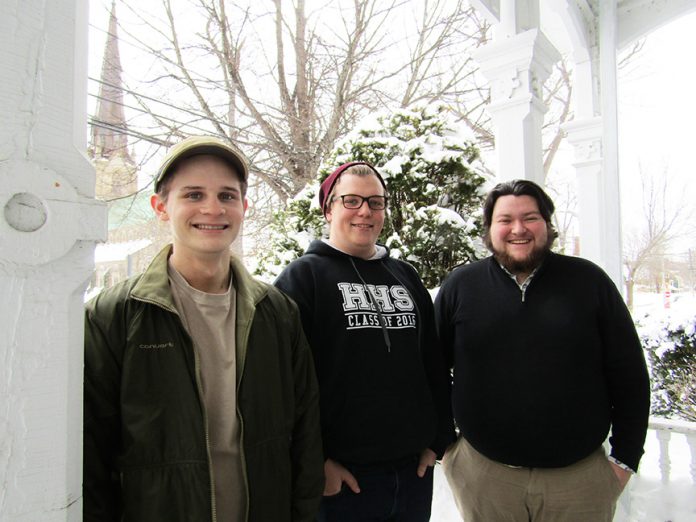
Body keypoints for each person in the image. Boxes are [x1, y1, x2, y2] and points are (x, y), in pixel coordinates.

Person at [83, 136, 324, 522]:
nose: (213, 208)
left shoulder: (278, 313)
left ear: (244, 207)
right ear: (161, 207)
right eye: (193, 195)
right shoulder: (113, 316)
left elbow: (306, 437)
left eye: (227, 195)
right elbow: (90, 456)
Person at [434, 179, 651, 522]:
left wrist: (624, 459)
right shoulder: (460, 286)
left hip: (579, 482)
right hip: (483, 478)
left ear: (547, 225)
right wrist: (446, 447)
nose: (518, 229)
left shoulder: (589, 282)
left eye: (530, 218)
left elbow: (629, 375)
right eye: (505, 219)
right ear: (489, 229)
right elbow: (431, 370)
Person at [274, 161, 455, 522]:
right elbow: (282, 382)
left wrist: (437, 441)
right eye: (351, 201)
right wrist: (317, 461)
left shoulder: (404, 276)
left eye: (376, 202)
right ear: (329, 209)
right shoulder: (303, 278)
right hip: (343, 481)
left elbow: (432, 363)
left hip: (412, 474)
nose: (365, 212)